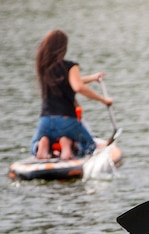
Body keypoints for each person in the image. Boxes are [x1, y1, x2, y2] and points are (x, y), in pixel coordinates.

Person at [31, 30, 113, 160]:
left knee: (34, 145)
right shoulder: (71, 66)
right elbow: (77, 86)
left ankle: (43, 144)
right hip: (66, 120)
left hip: (45, 120)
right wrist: (103, 100)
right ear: (63, 47)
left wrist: (92, 78)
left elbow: (67, 82)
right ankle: (67, 146)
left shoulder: (43, 67)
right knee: (90, 145)